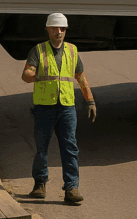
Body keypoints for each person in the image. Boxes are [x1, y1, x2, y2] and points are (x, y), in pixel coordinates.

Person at [21, 13, 96, 204]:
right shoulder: (38, 51)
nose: (59, 31)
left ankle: (71, 188)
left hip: (66, 107)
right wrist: (33, 75)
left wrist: (90, 101)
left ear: (66, 30)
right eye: (55, 28)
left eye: (62, 28)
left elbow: (81, 77)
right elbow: (26, 74)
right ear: (48, 29)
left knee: (70, 148)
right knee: (41, 149)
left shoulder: (72, 51)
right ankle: (40, 184)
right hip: (44, 107)